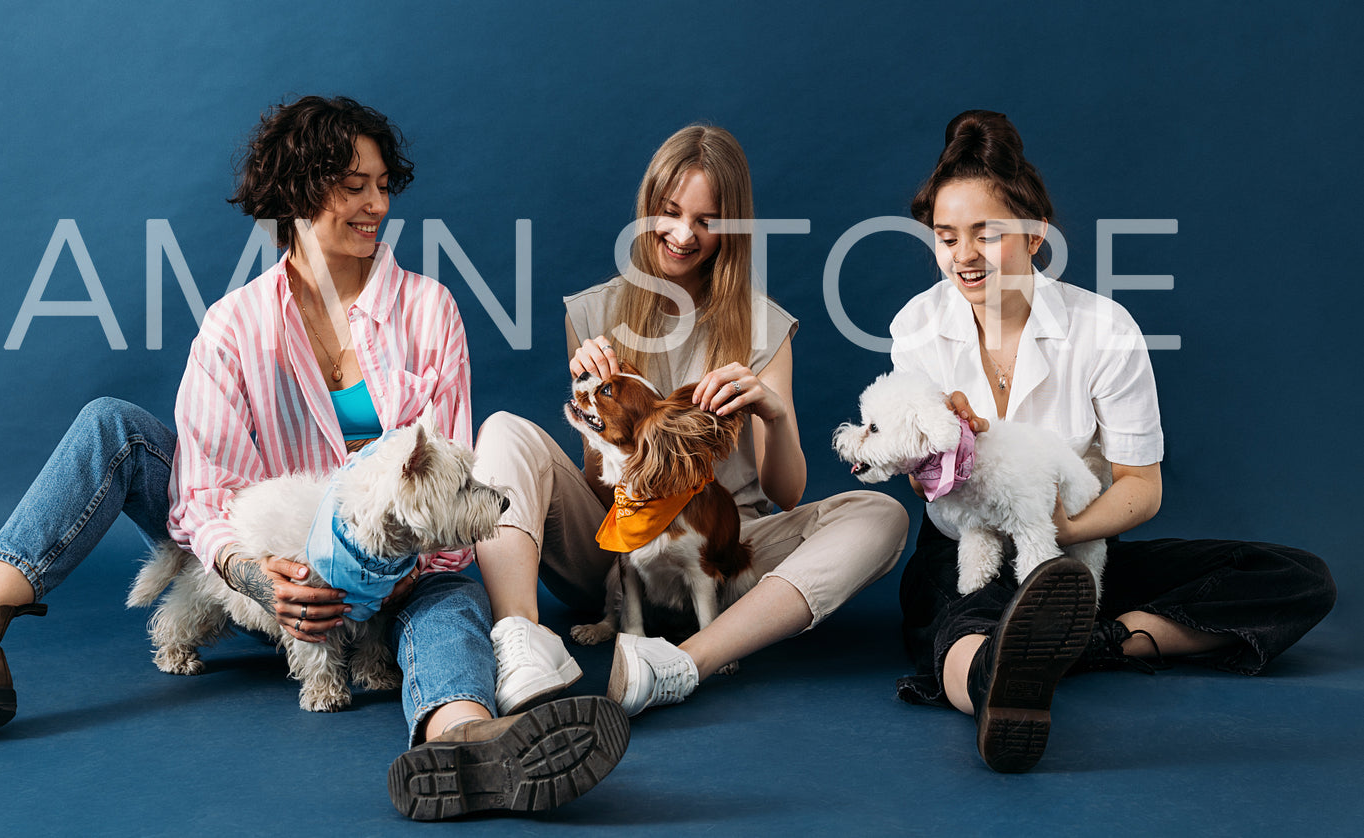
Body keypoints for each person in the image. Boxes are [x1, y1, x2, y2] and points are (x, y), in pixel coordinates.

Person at [0, 96, 627, 821]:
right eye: (351, 186)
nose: (375, 206)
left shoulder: (427, 311)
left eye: (382, 186)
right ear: (295, 192)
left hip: (388, 577)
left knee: (450, 594)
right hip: (270, 562)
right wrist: (258, 574)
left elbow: (446, 508)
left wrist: (373, 580)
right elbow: (201, 496)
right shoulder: (233, 326)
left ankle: (462, 741)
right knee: (112, 427)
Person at [890, 109, 1336, 773]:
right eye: (946, 236)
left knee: (1298, 578)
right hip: (967, 545)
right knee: (960, 617)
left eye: (986, 234)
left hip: (1079, 547)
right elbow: (920, 482)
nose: (962, 256)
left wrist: (1062, 528)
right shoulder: (917, 327)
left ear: (1035, 232)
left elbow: (1139, 485)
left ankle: (1085, 643)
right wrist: (937, 450)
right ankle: (995, 684)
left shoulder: (1103, 328)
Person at [472, 123, 911, 717]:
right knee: (502, 429)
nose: (682, 235)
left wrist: (775, 416)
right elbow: (601, 486)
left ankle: (688, 659)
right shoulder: (595, 312)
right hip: (619, 544)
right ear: (647, 206)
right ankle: (522, 645)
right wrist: (596, 412)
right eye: (669, 211)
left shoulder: (763, 327)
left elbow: (787, 494)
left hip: (729, 550)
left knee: (879, 513)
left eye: (706, 221)